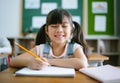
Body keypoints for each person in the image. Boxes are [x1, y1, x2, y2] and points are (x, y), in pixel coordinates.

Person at [10, 8, 88, 70]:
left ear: (71, 30)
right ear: (47, 30)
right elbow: (13, 62)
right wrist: (29, 62)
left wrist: (50, 61)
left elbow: (83, 63)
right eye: (54, 26)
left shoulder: (75, 48)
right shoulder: (41, 49)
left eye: (64, 26)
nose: (59, 30)